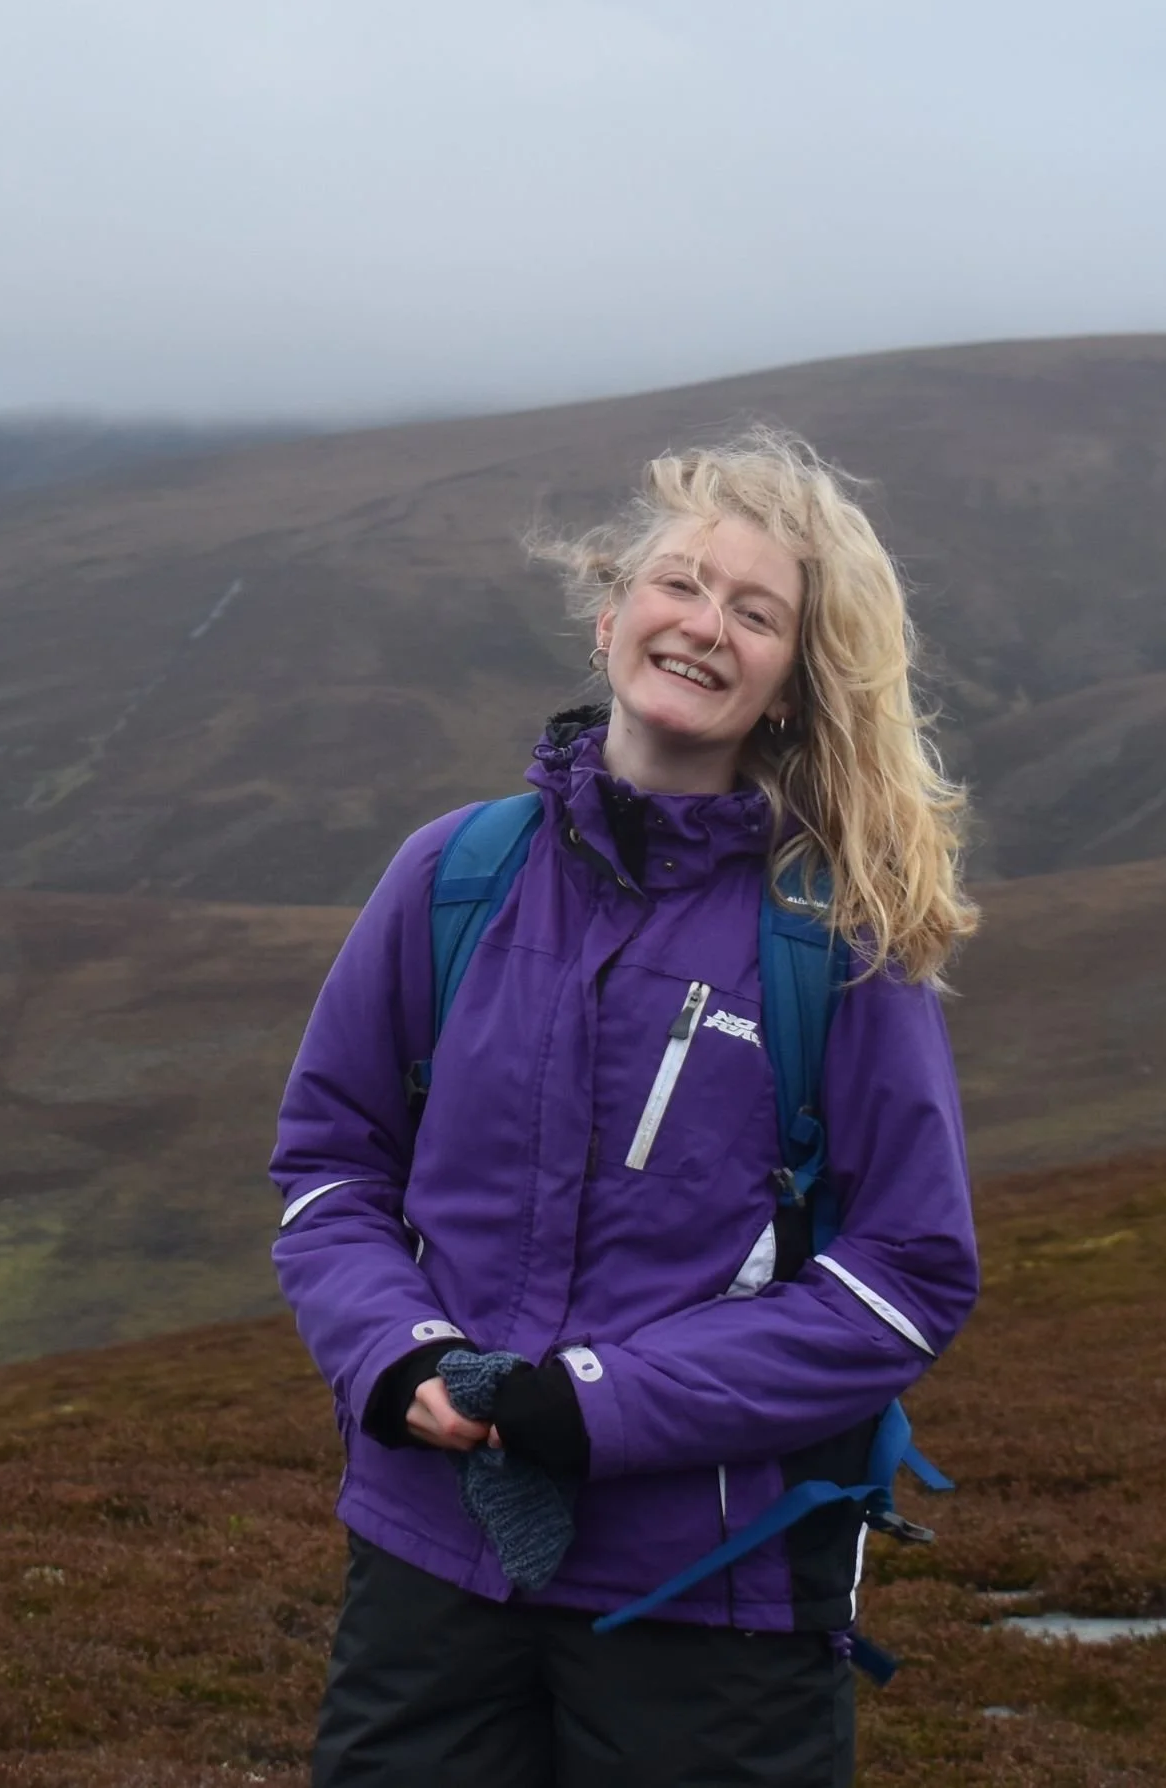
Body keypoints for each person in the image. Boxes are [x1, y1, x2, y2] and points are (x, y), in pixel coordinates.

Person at [270, 427, 981, 1788]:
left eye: (754, 612)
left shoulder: (834, 937)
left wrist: (595, 1404)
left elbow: (906, 1277)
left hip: (709, 1593)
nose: (704, 627)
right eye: (678, 584)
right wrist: (405, 1360)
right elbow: (328, 1172)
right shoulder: (454, 876)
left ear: (787, 685)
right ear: (610, 621)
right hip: (434, 1563)